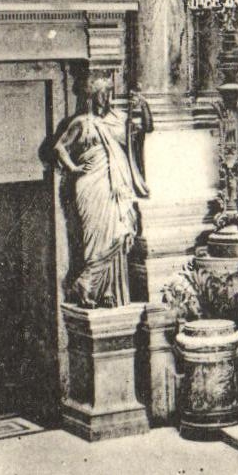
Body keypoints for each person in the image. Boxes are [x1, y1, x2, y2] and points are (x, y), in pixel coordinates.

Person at [54, 78, 152, 309]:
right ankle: (92, 287)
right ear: (92, 96)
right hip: (91, 185)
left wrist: (144, 107)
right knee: (96, 237)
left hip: (117, 185)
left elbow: (146, 128)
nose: (107, 97)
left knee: (120, 232)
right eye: (102, 93)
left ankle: (102, 287)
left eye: (110, 92)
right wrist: (73, 168)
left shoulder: (119, 121)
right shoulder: (82, 122)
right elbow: (59, 147)